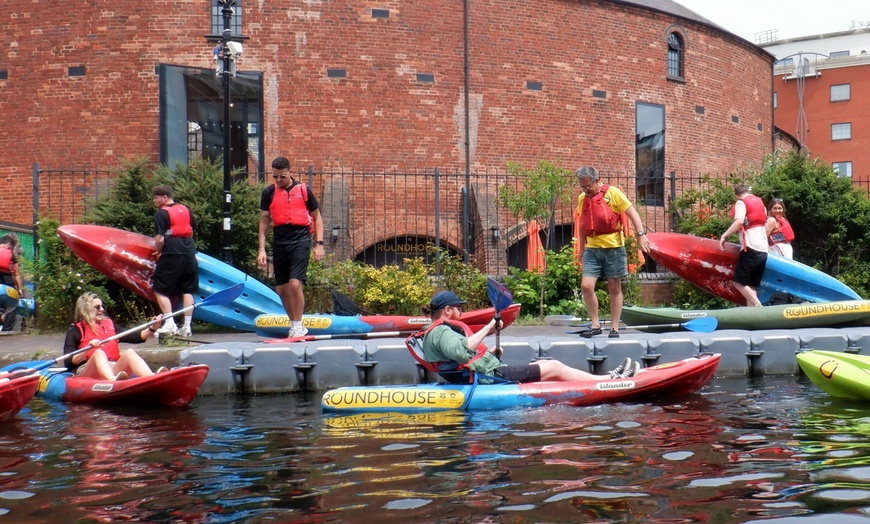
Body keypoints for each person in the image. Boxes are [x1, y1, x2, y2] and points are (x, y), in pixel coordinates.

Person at [417, 290, 640, 383]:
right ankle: (606, 380)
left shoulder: (436, 332)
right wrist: (489, 327)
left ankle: (602, 379)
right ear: (447, 311)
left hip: (482, 374)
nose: (461, 313)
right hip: (489, 378)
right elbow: (461, 349)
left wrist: (489, 352)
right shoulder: (442, 331)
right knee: (554, 366)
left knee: (543, 365)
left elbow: (458, 358)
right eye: (458, 309)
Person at [574, 166, 651, 339]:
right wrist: (581, 248)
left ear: (596, 180)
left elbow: (633, 213)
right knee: (586, 286)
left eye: (587, 186)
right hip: (592, 248)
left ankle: (614, 327)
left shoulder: (613, 193)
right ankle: (595, 325)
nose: (585, 190)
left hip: (614, 247)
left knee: (614, 287)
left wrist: (641, 236)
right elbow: (582, 224)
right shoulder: (582, 198)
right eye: (582, 187)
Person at [258, 156, 325, 338]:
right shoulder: (269, 193)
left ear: (291, 172)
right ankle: (294, 323)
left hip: (301, 239)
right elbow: (264, 222)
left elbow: (317, 218)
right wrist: (261, 249)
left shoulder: (304, 191)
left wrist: (318, 244)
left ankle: (298, 325)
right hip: (280, 241)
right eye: (275, 177)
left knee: (295, 284)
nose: (278, 180)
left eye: (282, 176)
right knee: (281, 289)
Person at [63, 292, 166, 381]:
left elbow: (134, 336)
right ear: (85, 310)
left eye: (102, 306)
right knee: (98, 352)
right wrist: (87, 349)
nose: (102, 309)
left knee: (129, 352)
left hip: (111, 366)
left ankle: (151, 377)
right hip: (87, 370)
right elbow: (69, 361)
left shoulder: (109, 324)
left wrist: (153, 328)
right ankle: (112, 381)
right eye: (97, 307)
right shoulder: (76, 330)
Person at [151, 184, 198, 337]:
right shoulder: (186, 209)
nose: (154, 201)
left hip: (172, 252)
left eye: (156, 198)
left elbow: (160, 238)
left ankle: (170, 323)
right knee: (187, 289)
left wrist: (158, 250)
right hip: (190, 251)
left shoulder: (161, 214)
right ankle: (187, 326)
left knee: (159, 287)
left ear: (165, 197)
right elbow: (193, 228)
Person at [719, 183, 768, 307]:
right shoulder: (760, 202)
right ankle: (753, 317)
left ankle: (759, 307)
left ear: (736, 195)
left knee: (739, 283)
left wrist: (724, 236)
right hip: (763, 248)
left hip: (751, 246)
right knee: (751, 286)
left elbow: (739, 222)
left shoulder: (741, 202)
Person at [0, 234, 26, 332]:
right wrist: (19, 289)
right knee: (12, 305)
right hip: (7, 284)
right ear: (9, 244)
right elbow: (16, 274)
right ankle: (7, 330)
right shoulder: (11, 255)